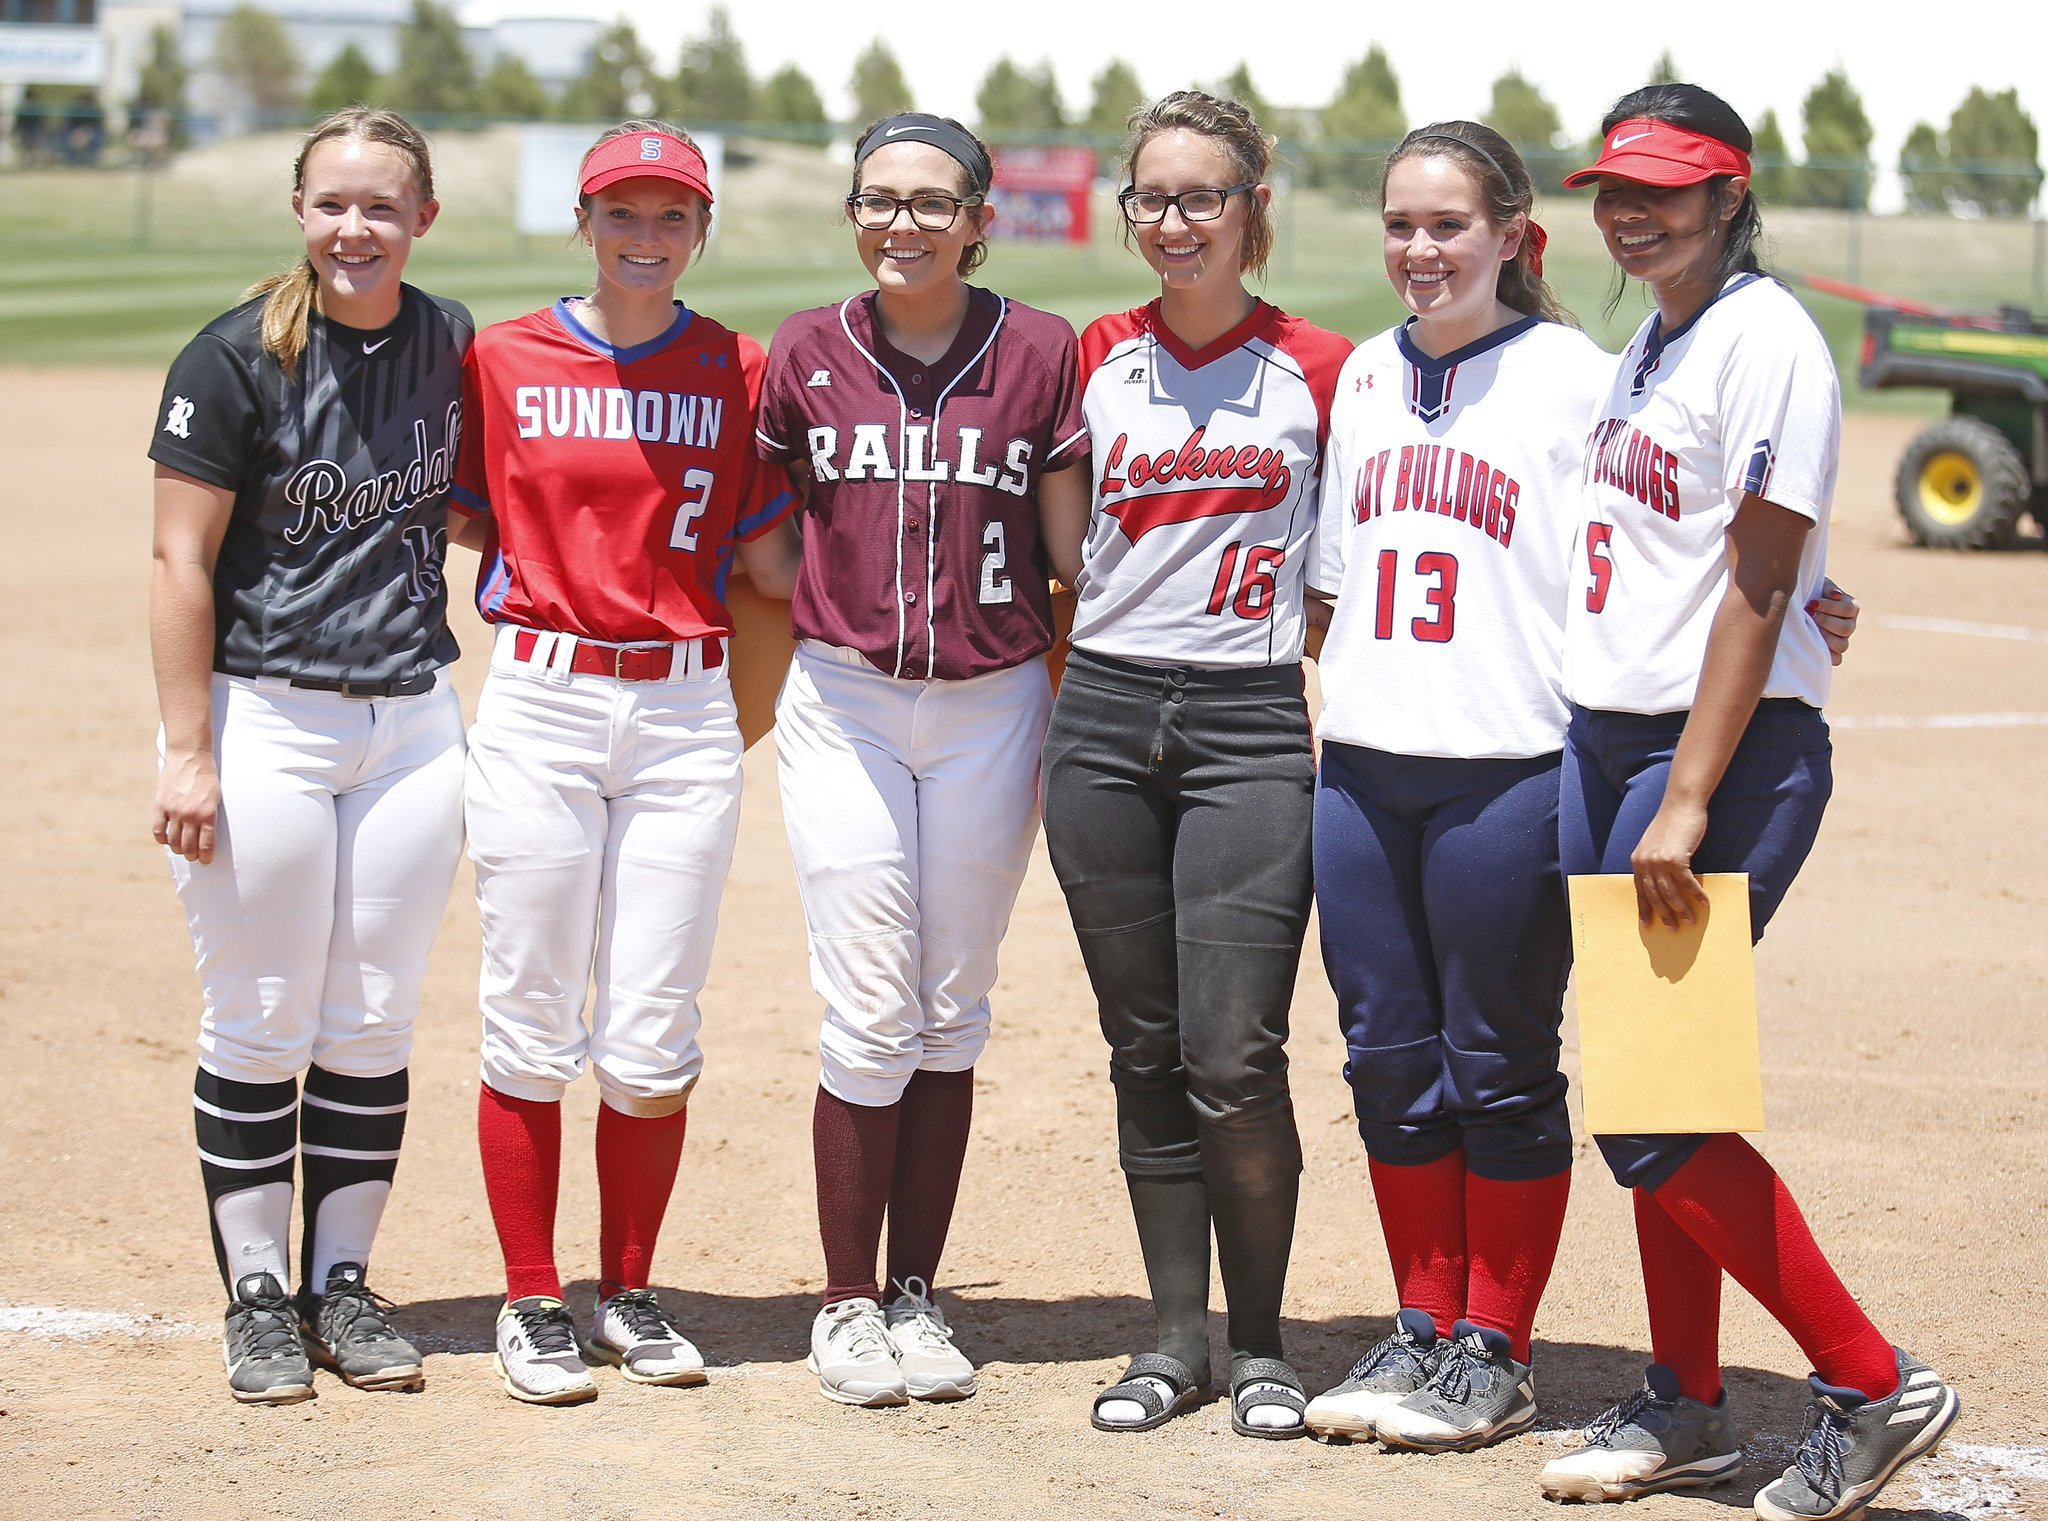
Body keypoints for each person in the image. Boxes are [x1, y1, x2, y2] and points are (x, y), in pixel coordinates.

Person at [1535, 85, 1958, 1519]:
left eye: (1663, 188)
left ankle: (1868, 1378)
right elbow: (1702, 537)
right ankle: (1691, 1403)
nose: (1628, 209)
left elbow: (1758, 582)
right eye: (1614, 187)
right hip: (1618, 743)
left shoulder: (1766, 336)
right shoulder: (1654, 342)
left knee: (1652, 1116)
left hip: (1709, 759)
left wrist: (1690, 797)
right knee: (1673, 1090)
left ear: (1731, 196)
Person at [452, 120, 800, 1406]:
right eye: (621, 214)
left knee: (652, 1033)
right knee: (530, 1016)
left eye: (670, 217)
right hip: (540, 702)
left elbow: (769, 563)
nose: (644, 238)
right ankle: (534, 1298)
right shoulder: (501, 357)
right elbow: (461, 514)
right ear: (583, 224)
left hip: (683, 711)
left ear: (699, 232)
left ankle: (630, 1291)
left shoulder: (737, 368)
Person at [753, 113, 1091, 1408]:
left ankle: (917, 1293)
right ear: (853, 214)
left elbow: (1069, 547)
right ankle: (846, 1300)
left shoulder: (1039, 350)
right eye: (881, 199)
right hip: (845, 700)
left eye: (932, 202)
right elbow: (765, 536)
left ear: (978, 220)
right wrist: (832, 603)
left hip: (994, 700)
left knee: (952, 1005)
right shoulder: (806, 347)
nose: (906, 222)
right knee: (867, 1001)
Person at [1041, 90, 1354, 1440]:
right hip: (1105, 717)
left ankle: (1267, 1339)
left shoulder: (1326, 368)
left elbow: (1348, 565)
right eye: (1150, 199)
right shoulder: (1092, 356)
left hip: (1247, 726)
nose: (1173, 224)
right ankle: (1174, 1338)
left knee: (1236, 1052)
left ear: (1252, 211)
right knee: (1146, 1046)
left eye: (1201, 198)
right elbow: (1064, 548)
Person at [1300, 121, 1612, 1453]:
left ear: (1510, 236)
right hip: (1365, 772)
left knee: (1498, 1066)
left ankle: (1499, 1343)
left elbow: (1651, 552)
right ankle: (1423, 1325)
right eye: (1402, 226)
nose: (1421, 251)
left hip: (1508, 773)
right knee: (1389, 1063)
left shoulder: (1575, 379)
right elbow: (1329, 586)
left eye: (1448, 227)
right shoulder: (1367, 374)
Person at [149, 106, 470, 1403]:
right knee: (263, 1016)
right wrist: (186, 751)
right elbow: (178, 560)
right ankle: (260, 1292)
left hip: (412, 723)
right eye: (333, 203)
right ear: (299, 212)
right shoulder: (235, 357)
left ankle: (345, 1278)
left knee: (373, 1018)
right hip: (263, 715)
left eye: (382, 206)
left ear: (423, 219)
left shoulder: (452, 343)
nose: (356, 228)